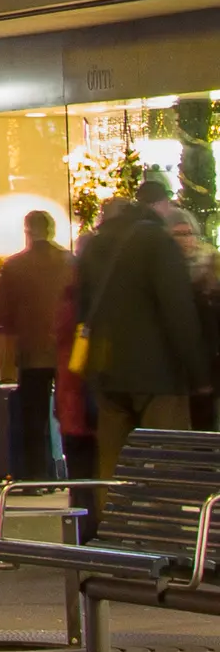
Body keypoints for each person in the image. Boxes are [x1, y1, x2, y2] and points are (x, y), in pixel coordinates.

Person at [78, 172, 210, 472]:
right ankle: (159, 518)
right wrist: (199, 374)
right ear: (161, 205)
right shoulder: (156, 241)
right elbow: (178, 311)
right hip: (157, 376)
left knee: (113, 463)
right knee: (166, 461)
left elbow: (82, 309)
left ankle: (113, 517)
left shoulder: (96, 245)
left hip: (106, 371)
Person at [0, 210, 73, 482]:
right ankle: (70, 470)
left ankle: (36, 475)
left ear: (28, 231)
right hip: (66, 349)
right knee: (70, 410)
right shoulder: (70, 262)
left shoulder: (15, 266)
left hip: (32, 350)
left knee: (33, 415)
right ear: (50, 230)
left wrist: (17, 326)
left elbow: (0, 309)